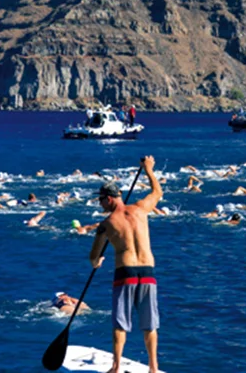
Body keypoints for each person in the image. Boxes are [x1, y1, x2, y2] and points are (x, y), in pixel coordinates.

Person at [90, 155, 162, 373]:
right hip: (148, 272)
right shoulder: (141, 209)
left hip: (125, 272)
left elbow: (93, 258)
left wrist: (97, 262)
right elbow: (157, 192)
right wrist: (148, 168)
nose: (99, 203)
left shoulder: (106, 224)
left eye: (100, 199)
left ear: (109, 199)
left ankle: (116, 367)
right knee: (150, 324)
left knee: (120, 323)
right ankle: (153, 367)